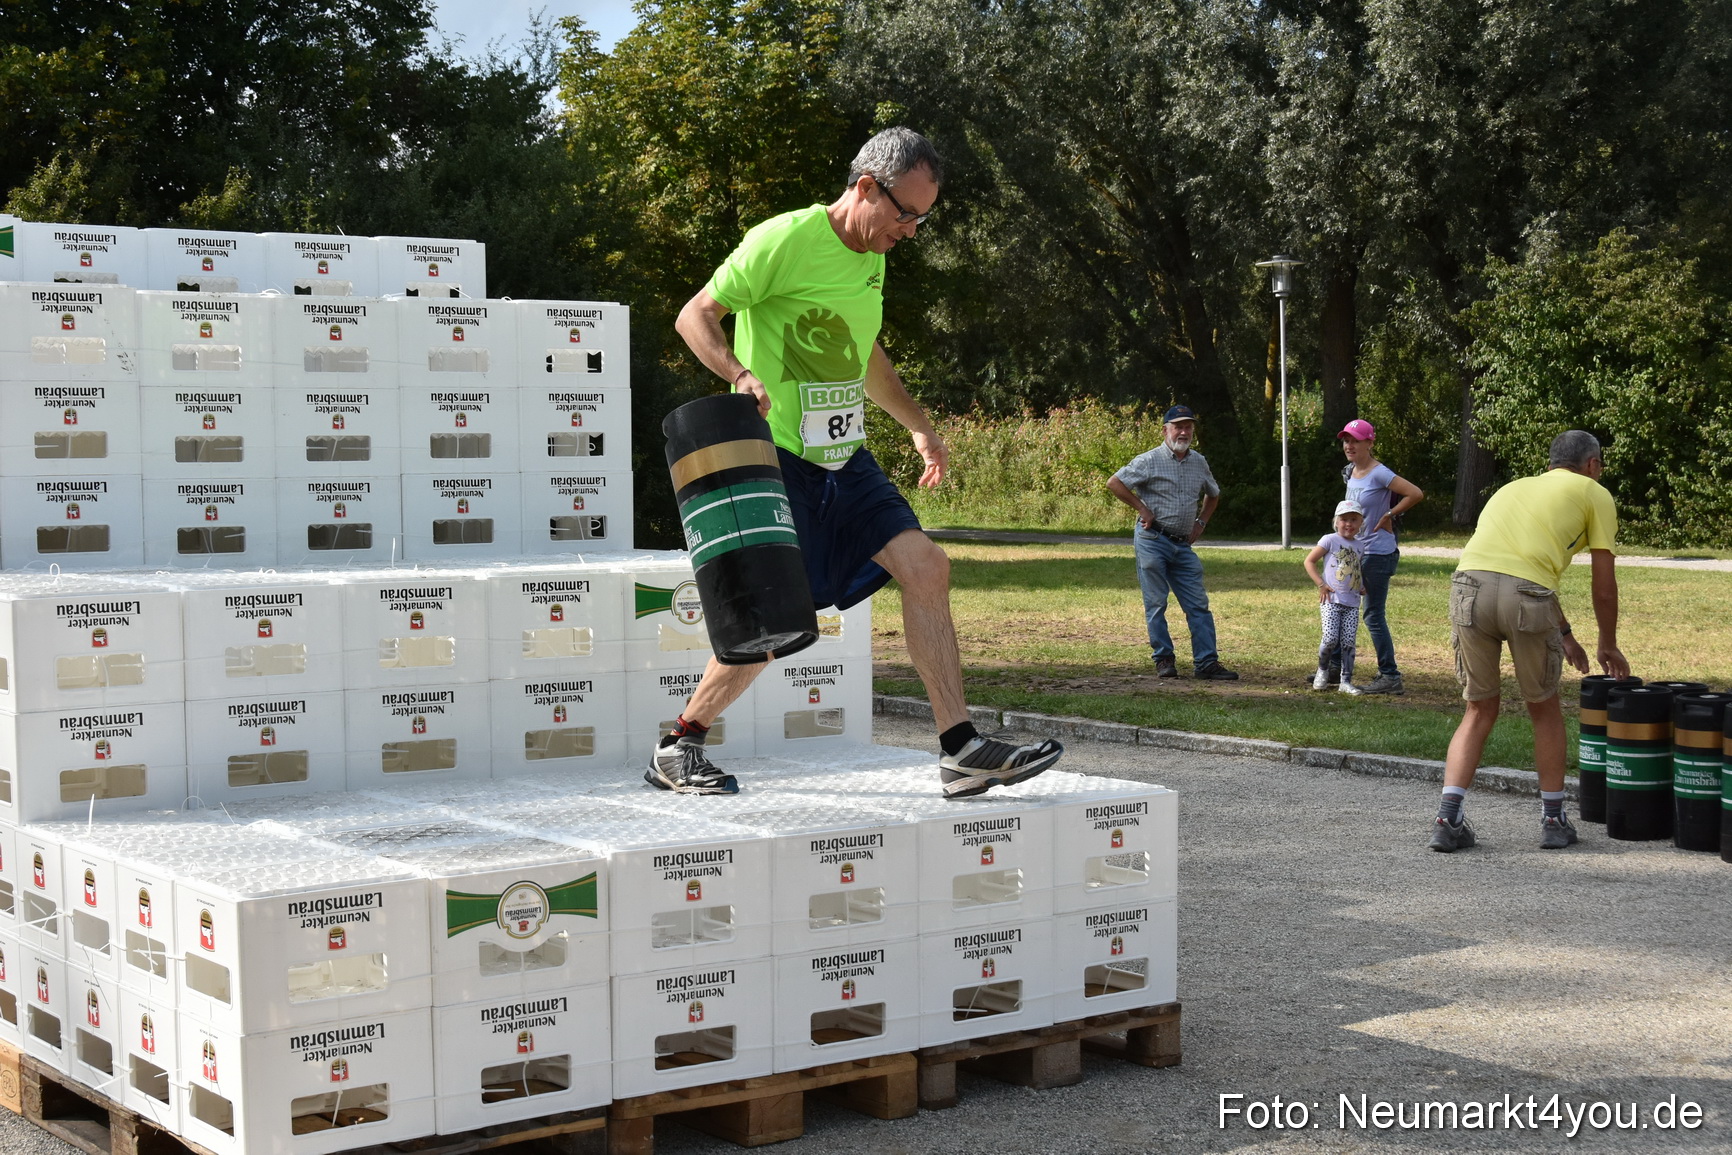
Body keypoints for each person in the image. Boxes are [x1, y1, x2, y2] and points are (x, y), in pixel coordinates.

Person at [651, 127, 1063, 798]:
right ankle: (680, 742)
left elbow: (863, 353)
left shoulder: (874, 254)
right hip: (779, 458)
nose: (912, 231)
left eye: (922, 219)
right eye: (907, 214)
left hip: (846, 458)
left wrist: (919, 426)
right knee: (778, 620)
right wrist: (740, 373)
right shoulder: (783, 240)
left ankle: (961, 749)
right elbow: (695, 315)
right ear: (866, 188)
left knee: (927, 567)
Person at [1429, 430, 1630, 853]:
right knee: (1543, 708)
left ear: (1551, 462)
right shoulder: (1594, 494)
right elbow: (1602, 585)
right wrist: (1607, 643)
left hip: (1468, 589)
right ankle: (1554, 820)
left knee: (1478, 708)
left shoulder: (1511, 488)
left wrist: (1566, 634)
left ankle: (1447, 820)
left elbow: (1510, 567)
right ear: (1592, 464)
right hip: (1527, 598)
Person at [1106, 406, 1239, 681]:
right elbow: (1115, 483)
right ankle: (1164, 659)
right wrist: (1142, 508)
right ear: (1165, 430)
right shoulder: (1148, 460)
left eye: (1188, 427)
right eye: (1178, 427)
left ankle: (1206, 663)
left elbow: (1213, 494)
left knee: (1198, 604)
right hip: (1152, 539)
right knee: (1156, 602)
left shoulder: (1199, 462)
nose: (1183, 432)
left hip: (1182, 544)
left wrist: (1201, 523)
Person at [1337, 419, 1424, 694]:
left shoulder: (1379, 473)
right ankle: (1335, 669)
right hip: (1356, 552)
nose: (1349, 445)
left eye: (1356, 440)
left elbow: (1415, 493)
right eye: (1346, 440)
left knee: (1373, 615)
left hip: (1377, 553)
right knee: (1342, 607)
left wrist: (1389, 514)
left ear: (1370, 443)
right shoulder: (1351, 472)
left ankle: (1390, 676)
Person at [1303, 500, 1368, 694]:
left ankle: (1345, 681)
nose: (1349, 524)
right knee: (1330, 638)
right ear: (1336, 522)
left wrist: (1361, 586)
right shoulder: (1329, 540)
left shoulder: (1360, 546)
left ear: (1360, 523)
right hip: (1331, 601)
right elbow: (1309, 561)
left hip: (1352, 603)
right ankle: (1322, 670)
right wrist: (1321, 584)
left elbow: (1355, 569)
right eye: (1344, 519)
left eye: (1354, 520)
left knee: (1348, 643)